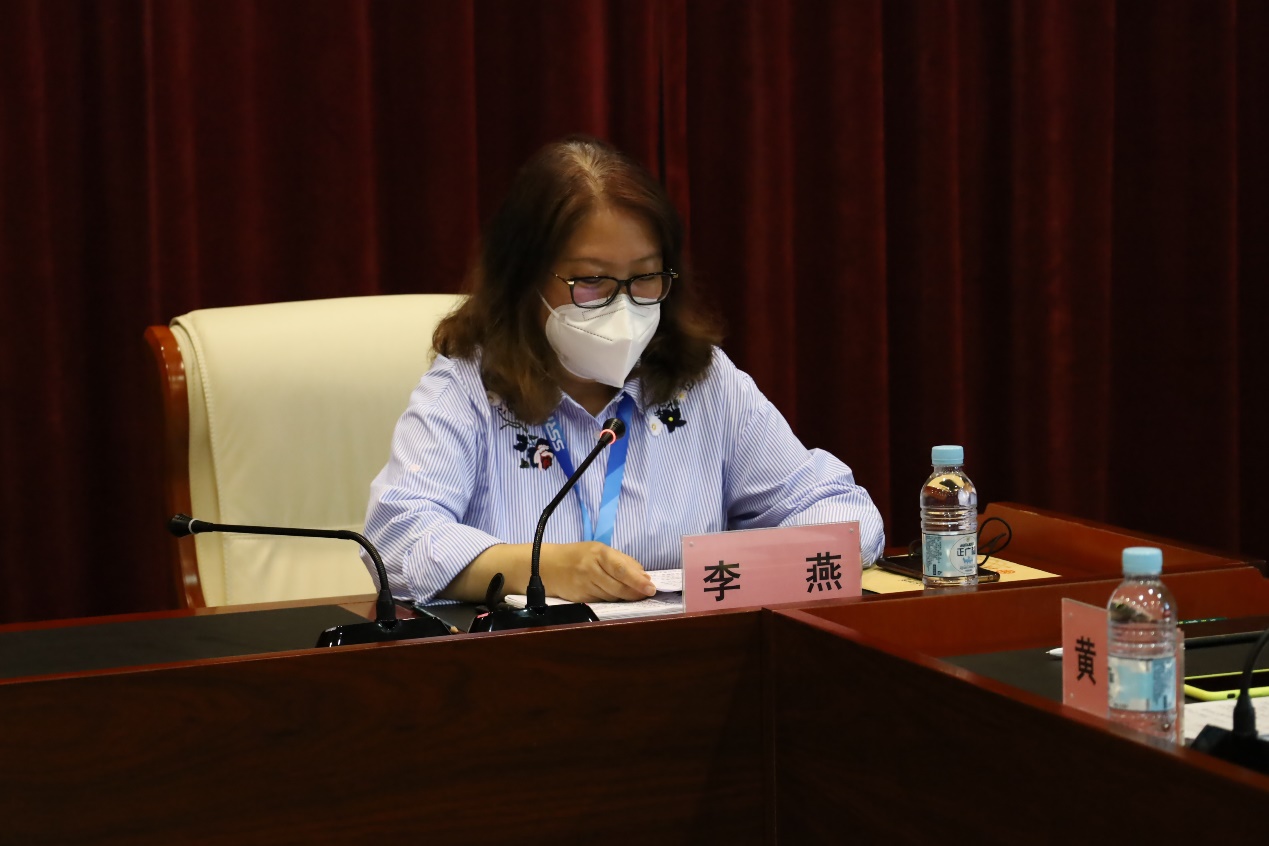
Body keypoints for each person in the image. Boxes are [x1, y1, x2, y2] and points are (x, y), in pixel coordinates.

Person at [363, 135, 884, 606]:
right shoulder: (468, 389)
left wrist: (741, 563)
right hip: (523, 664)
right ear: (525, 279)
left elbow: (844, 514)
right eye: (591, 281)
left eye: (645, 278)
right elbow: (397, 541)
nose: (624, 306)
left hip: (688, 658)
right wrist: (539, 567)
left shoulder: (704, 382)